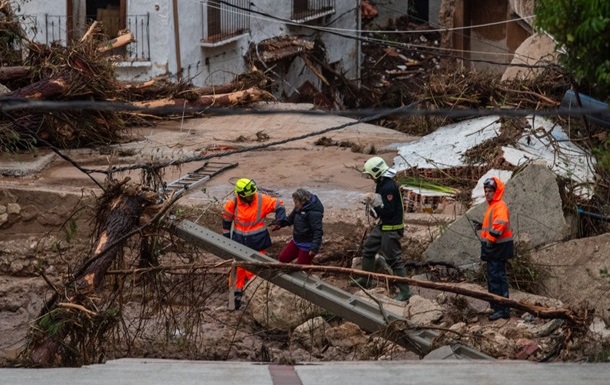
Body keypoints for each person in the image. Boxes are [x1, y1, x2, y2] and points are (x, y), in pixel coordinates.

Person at [353, 156, 411, 301]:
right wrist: (373, 204)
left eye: (370, 175)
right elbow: (381, 210)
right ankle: (366, 279)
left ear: (376, 172)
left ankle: (405, 291)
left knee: (393, 259)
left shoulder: (389, 187)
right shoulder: (382, 184)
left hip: (392, 227)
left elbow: (389, 210)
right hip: (384, 224)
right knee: (369, 248)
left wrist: (375, 203)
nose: (370, 178)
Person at [222, 178, 286, 309]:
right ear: (240, 195)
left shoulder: (261, 199)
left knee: (256, 273)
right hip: (239, 243)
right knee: (236, 272)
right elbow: (226, 222)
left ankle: (257, 302)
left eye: (252, 194)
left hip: (257, 243)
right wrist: (226, 240)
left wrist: (279, 219)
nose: (252, 197)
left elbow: (279, 204)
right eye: (249, 196)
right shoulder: (232, 204)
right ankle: (233, 302)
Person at [476, 176, 514, 321]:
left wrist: (490, 240)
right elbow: (494, 224)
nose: (487, 193)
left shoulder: (499, 205)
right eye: (485, 190)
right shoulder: (493, 206)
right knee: (493, 277)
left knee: (497, 277)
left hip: (498, 248)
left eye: (490, 190)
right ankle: (496, 306)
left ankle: (502, 309)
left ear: (496, 191)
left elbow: (500, 224)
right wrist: (482, 226)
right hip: (494, 248)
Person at [272, 188, 324, 265]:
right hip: (296, 240)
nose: (295, 205)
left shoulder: (314, 213)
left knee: (302, 268)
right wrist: (280, 224)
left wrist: (314, 248)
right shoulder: (299, 207)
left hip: (307, 245)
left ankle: (308, 274)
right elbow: (290, 219)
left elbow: (318, 231)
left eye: (296, 202)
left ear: (302, 201)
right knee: (283, 258)